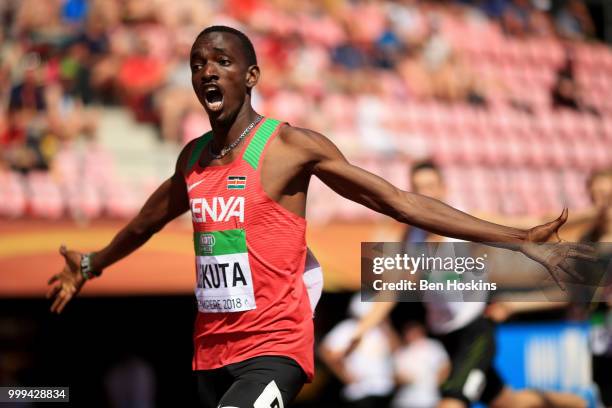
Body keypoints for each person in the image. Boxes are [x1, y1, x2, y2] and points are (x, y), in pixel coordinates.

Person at [47, 26, 594, 408]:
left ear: (252, 75)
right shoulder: (191, 158)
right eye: (198, 64)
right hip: (210, 349)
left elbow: (396, 200)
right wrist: (92, 263)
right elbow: (145, 222)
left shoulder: (288, 147)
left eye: (222, 61)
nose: (208, 72)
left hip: (276, 346)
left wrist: (515, 237)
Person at [348, 161, 591, 408]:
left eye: (431, 186)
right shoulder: (409, 236)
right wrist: (362, 328)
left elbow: (530, 224)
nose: (426, 194)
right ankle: (575, 403)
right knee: (509, 402)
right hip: (446, 336)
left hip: (476, 328)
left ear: (443, 189)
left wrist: (594, 212)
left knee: (452, 402)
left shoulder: (467, 221)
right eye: (419, 188)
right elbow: (390, 289)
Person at [319, 293, 395, 408]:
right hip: (360, 390)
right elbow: (326, 353)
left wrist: (386, 326)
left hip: (383, 388)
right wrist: (344, 375)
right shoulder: (347, 328)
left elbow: (396, 349)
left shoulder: (380, 329)